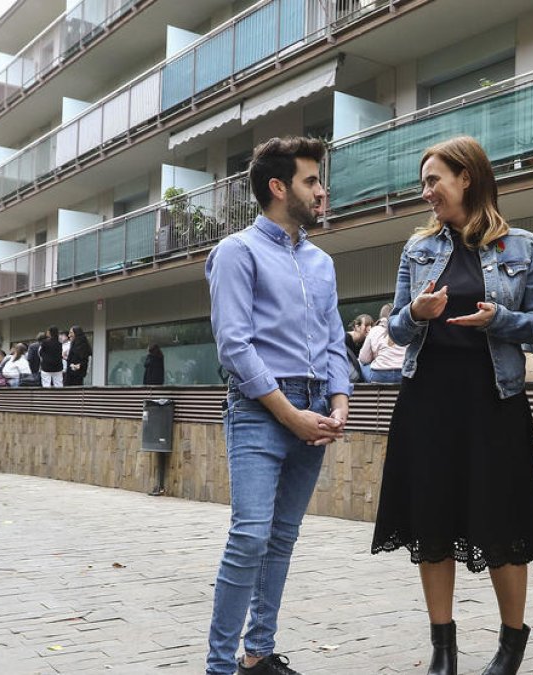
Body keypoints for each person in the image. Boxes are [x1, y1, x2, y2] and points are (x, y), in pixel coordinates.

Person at [370, 136, 533, 675]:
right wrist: (418, 313)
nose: (426, 193)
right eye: (424, 183)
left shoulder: (522, 246)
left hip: (495, 403)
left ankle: (512, 641)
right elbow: (394, 325)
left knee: (503, 523)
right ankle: (442, 647)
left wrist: (499, 320)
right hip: (429, 402)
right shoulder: (416, 249)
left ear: (466, 177)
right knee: (432, 522)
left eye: (433, 181)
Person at [204, 136, 350, 675]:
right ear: (277, 187)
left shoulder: (322, 263)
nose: (321, 191)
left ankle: (258, 654)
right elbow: (234, 346)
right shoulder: (236, 252)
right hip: (260, 409)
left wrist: (338, 403)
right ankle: (219, 666)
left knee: (282, 538)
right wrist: (289, 414)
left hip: (315, 406)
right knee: (250, 536)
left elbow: (335, 340)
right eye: (311, 180)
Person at [358, 303, 407, 384]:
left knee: (360, 363)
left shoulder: (375, 330)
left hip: (379, 376)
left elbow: (364, 359)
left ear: (381, 317)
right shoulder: (407, 329)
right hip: (403, 374)